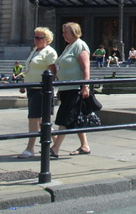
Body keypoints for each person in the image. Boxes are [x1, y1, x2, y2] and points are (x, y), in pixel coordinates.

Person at [50, 22, 92, 157]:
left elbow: (86, 68)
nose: (63, 35)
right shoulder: (69, 46)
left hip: (75, 88)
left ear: (74, 32)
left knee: (65, 118)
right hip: (66, 88)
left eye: (65, 32)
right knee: (74, 117)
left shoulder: (80, 45)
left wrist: (85, 86)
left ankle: (55, 148)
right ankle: (85, 146)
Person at [17, 27, 58, 158]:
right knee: (42, 121)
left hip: (41, 90)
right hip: (32, 88)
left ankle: (30, 148)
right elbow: (28, 67)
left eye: (39, 38)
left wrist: (47, 87)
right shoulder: (35, 51)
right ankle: (56, 146)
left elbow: (52, 72)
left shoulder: (50, 52)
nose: (36, 40)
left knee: (34, 118)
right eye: (35, 37)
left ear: (46, 39)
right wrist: (24, 83)